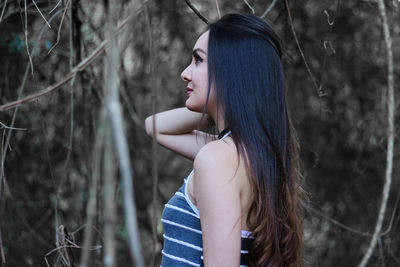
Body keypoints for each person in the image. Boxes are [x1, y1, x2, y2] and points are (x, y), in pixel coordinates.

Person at [145, 13, 304, 267]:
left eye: (198, 60)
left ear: (231, 72)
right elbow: (155, 126)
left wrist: (225, 104)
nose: (185, 73)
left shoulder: (217, 160)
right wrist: (220, 109)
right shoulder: (249, 155)